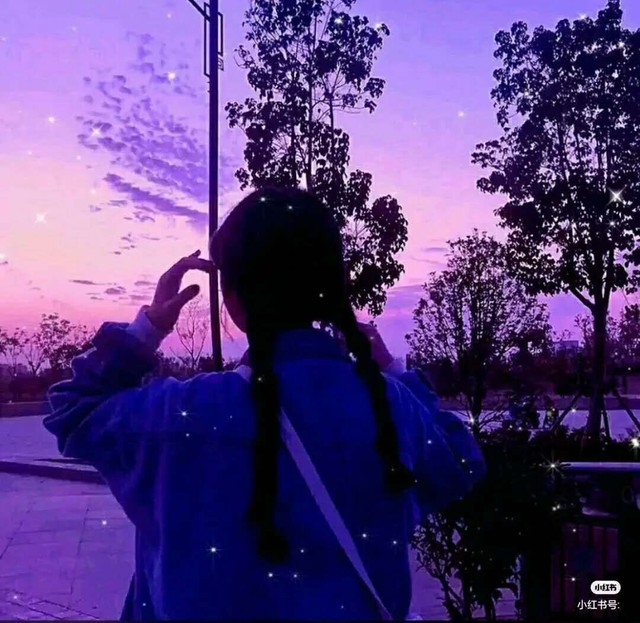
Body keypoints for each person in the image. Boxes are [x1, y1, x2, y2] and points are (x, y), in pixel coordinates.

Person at [44, 187, 486, 621]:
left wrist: (147, 329)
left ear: (235, 301)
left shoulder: (180, 414)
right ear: (331, 288)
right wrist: (392, 369)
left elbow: (75, 410)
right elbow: (461, 461)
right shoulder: (393, 408)